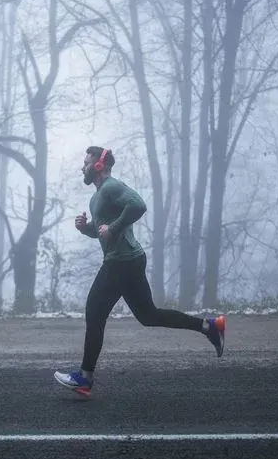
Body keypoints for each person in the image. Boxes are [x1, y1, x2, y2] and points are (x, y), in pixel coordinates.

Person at [53, 146, 226, 397]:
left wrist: (112, 228)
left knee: (94, 310)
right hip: (128, 260)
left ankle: (85, 378)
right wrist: (86, 228)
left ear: (99, 166)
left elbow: (138, 206)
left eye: (87, 163)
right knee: (148, 315)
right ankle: (210, 327)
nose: (83, 167)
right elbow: (102, 230)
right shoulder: (97, 197)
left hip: (121, 262)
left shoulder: (112, 187)